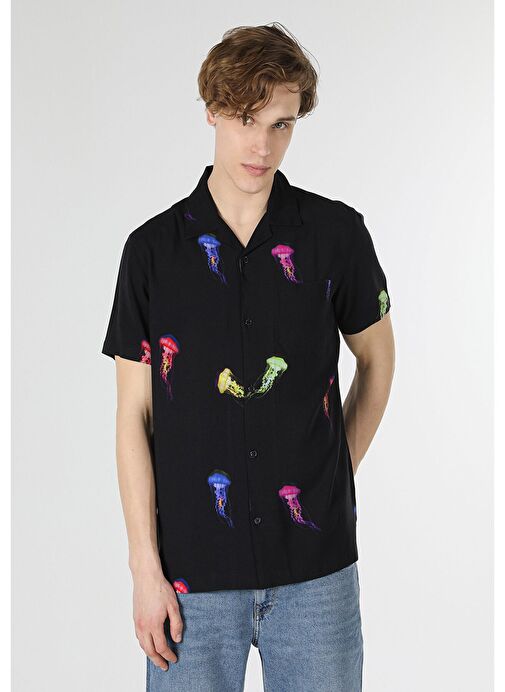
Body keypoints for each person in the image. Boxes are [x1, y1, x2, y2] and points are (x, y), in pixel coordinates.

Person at [101, 22, 395, 692]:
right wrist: (144, 568)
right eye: (244, 120)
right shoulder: (150, 253)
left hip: (316, 575)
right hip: (190, 578)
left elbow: (378, 362)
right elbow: (132, 417)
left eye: (281, 124)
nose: (262, 146)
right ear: (211, 110)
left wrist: (333, 473)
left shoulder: (337, 235)